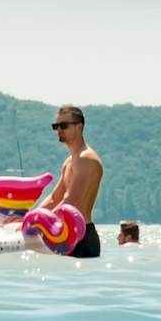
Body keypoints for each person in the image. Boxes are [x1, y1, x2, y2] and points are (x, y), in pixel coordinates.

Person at [37, 105, 104, 259]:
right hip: (64, 236)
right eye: (56, 126)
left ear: (79, 127)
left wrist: (39, 223)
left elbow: (71, 203)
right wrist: (32, 216)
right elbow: (55, 198)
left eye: (64, 125)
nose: (59, 130)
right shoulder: (69, 161)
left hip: (81, 237)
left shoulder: (86, 159)